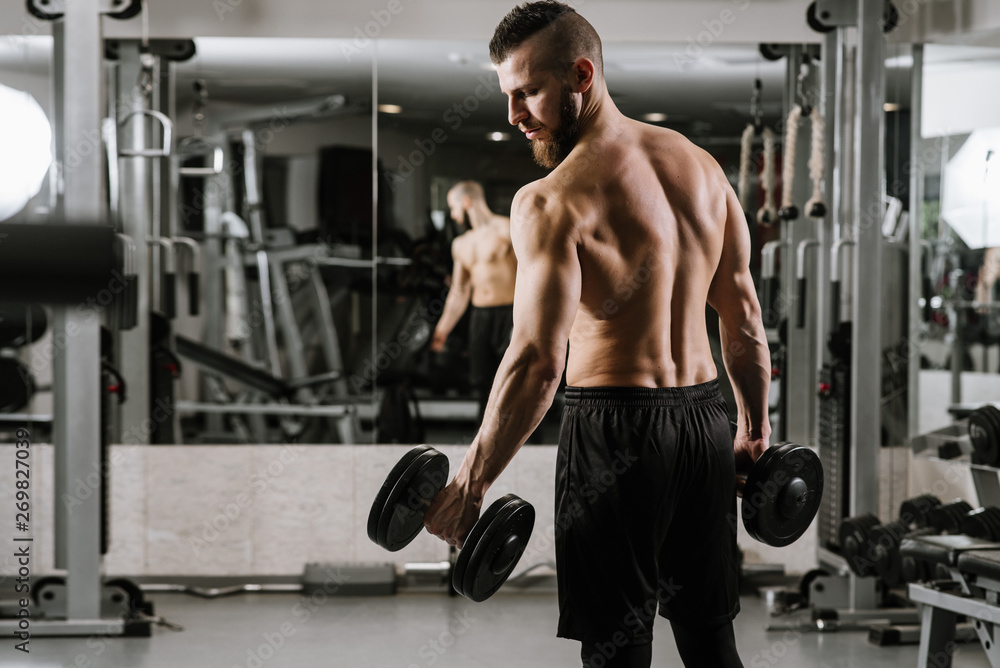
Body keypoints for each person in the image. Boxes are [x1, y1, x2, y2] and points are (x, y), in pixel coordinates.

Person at [424, 3, 770, 667]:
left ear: (581, 74)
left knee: (616, 648)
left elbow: (534, 363)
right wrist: (752, 432)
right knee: (709, 638)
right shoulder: (701, 167)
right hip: (703, 424)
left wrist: (470, 484)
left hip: (616, 431)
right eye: (507, 95)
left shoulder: (551, 199)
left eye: (527, 92)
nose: (514, 116)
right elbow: (745, 317)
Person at [431, 181, 518, 419]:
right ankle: (486, 441)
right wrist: (441, 331)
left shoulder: (508, 229)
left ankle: (529, 443)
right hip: (480, 316)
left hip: (510, 315)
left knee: (515, 383)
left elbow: (531, 277)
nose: (453, 214)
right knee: (482, 383)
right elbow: (459, 292)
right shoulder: (461, 244)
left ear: (466, 202)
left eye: (453, 206)